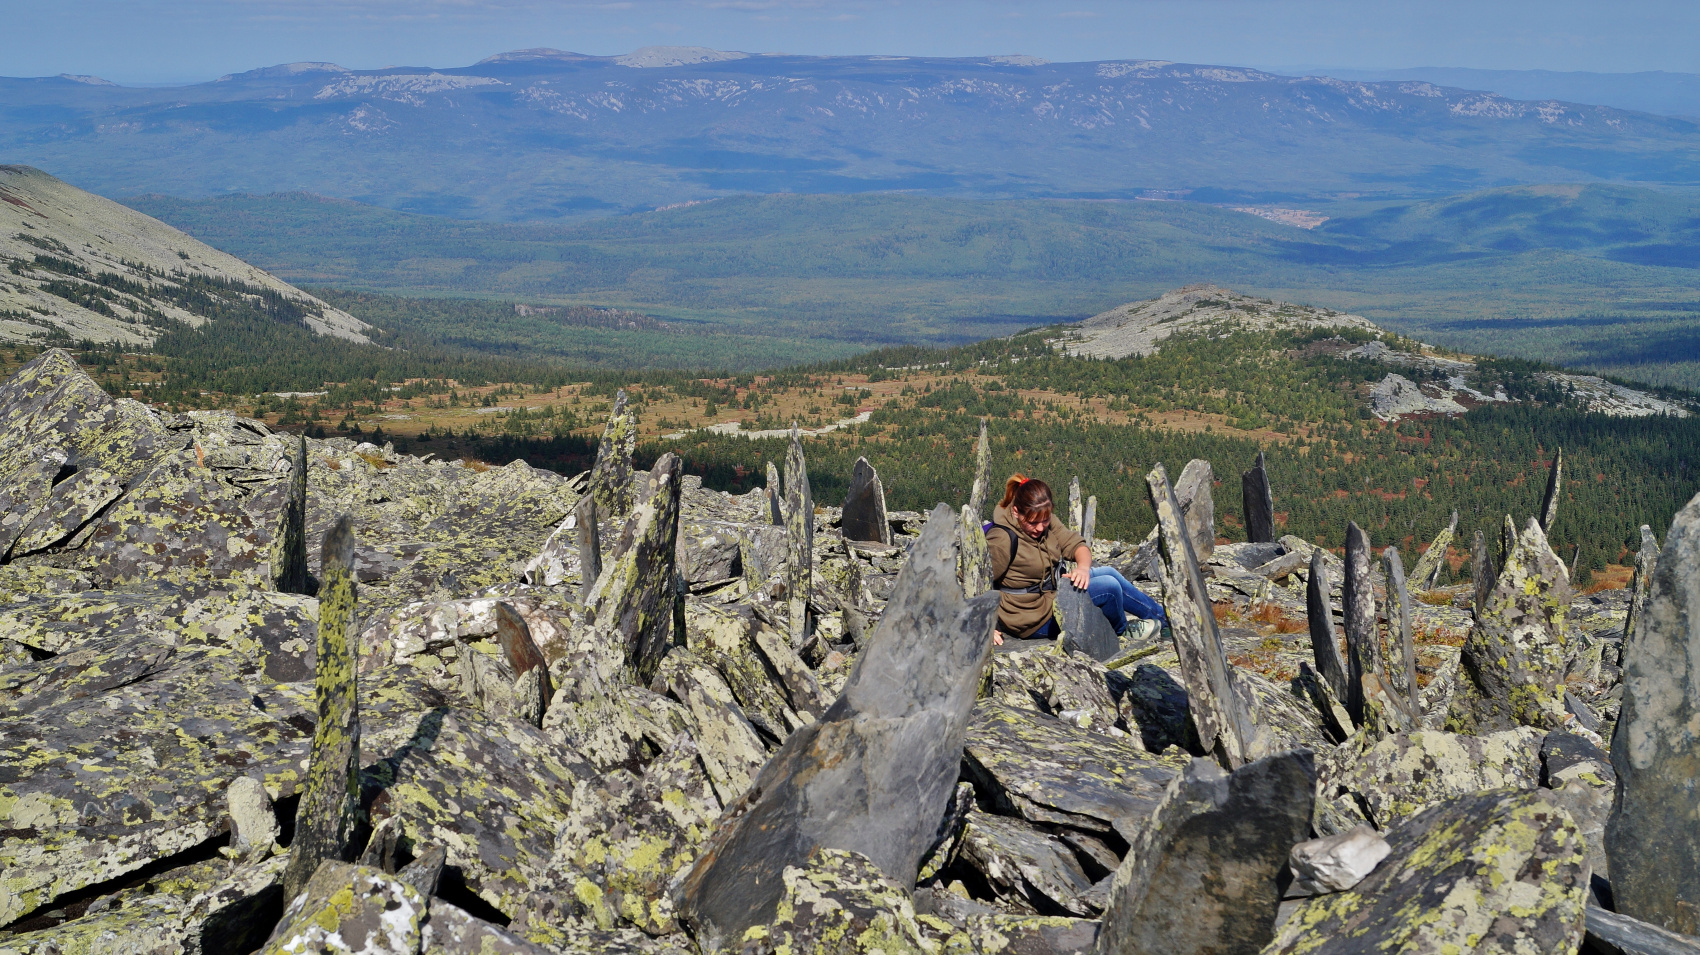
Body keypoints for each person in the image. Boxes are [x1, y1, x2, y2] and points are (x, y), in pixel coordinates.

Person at [986, 474, 1166, 646]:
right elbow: (972, 580)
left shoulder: (1041, 517)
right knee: (1109, 588)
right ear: (1016, 512)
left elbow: (1076, 545)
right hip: (1032, 617)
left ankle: (1166, 620)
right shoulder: (1002, 540)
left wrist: (1083, 568)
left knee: (1109, 572)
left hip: (1053, 594)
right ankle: (1121, 631)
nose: (1040, 528)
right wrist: (983, 624)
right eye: (1033, 523)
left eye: (1045, 520)